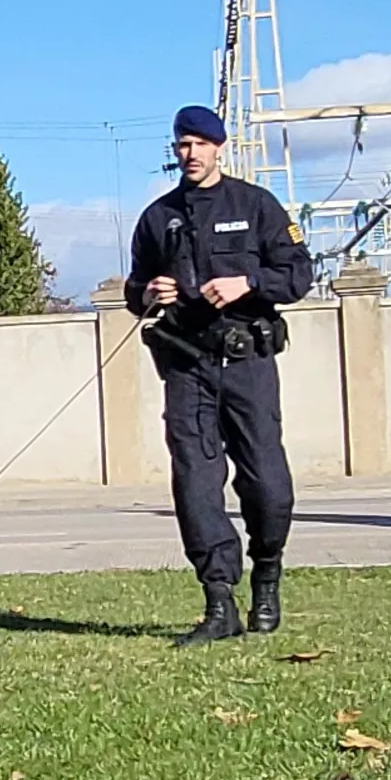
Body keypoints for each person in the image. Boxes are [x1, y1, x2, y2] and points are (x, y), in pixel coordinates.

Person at [124, 105, 315, 646]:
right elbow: (133, 290)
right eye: (182, 144)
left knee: (268, 484)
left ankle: (268, 575)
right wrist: (148, 294)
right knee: (195, 484)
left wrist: (245, 283)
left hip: (247, 364)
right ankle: (218, 602)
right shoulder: (158, 217)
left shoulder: (256, 205)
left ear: (218, 148)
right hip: (187, 365)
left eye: (199, 144)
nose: (190, 154)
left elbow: (298, 274)